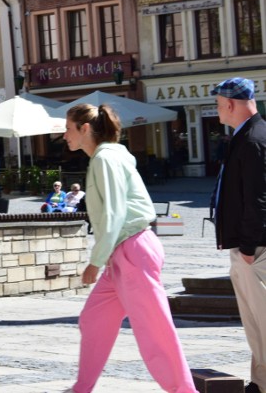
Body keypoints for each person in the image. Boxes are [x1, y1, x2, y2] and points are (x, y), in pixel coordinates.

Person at [62, 103, 196, 393]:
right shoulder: (105, 156)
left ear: (85, 129)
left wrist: (94, 262)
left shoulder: (104, 160)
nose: (64, 135)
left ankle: (185, 391)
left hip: (132, 250)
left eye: (68, 128)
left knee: (155, 330)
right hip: (125, 252)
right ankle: (81, 388)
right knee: (94, 319)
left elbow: (113, 212)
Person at [209, 77, 266, 393]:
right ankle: (260, 383)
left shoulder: (255, 139)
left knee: (263, 323)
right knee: (255, 325)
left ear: (230, 104)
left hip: (255, 249)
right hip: (248, 247)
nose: (218, 111)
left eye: (219, 105)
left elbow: (259, 198)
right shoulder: (247, 136)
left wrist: (246, 247)